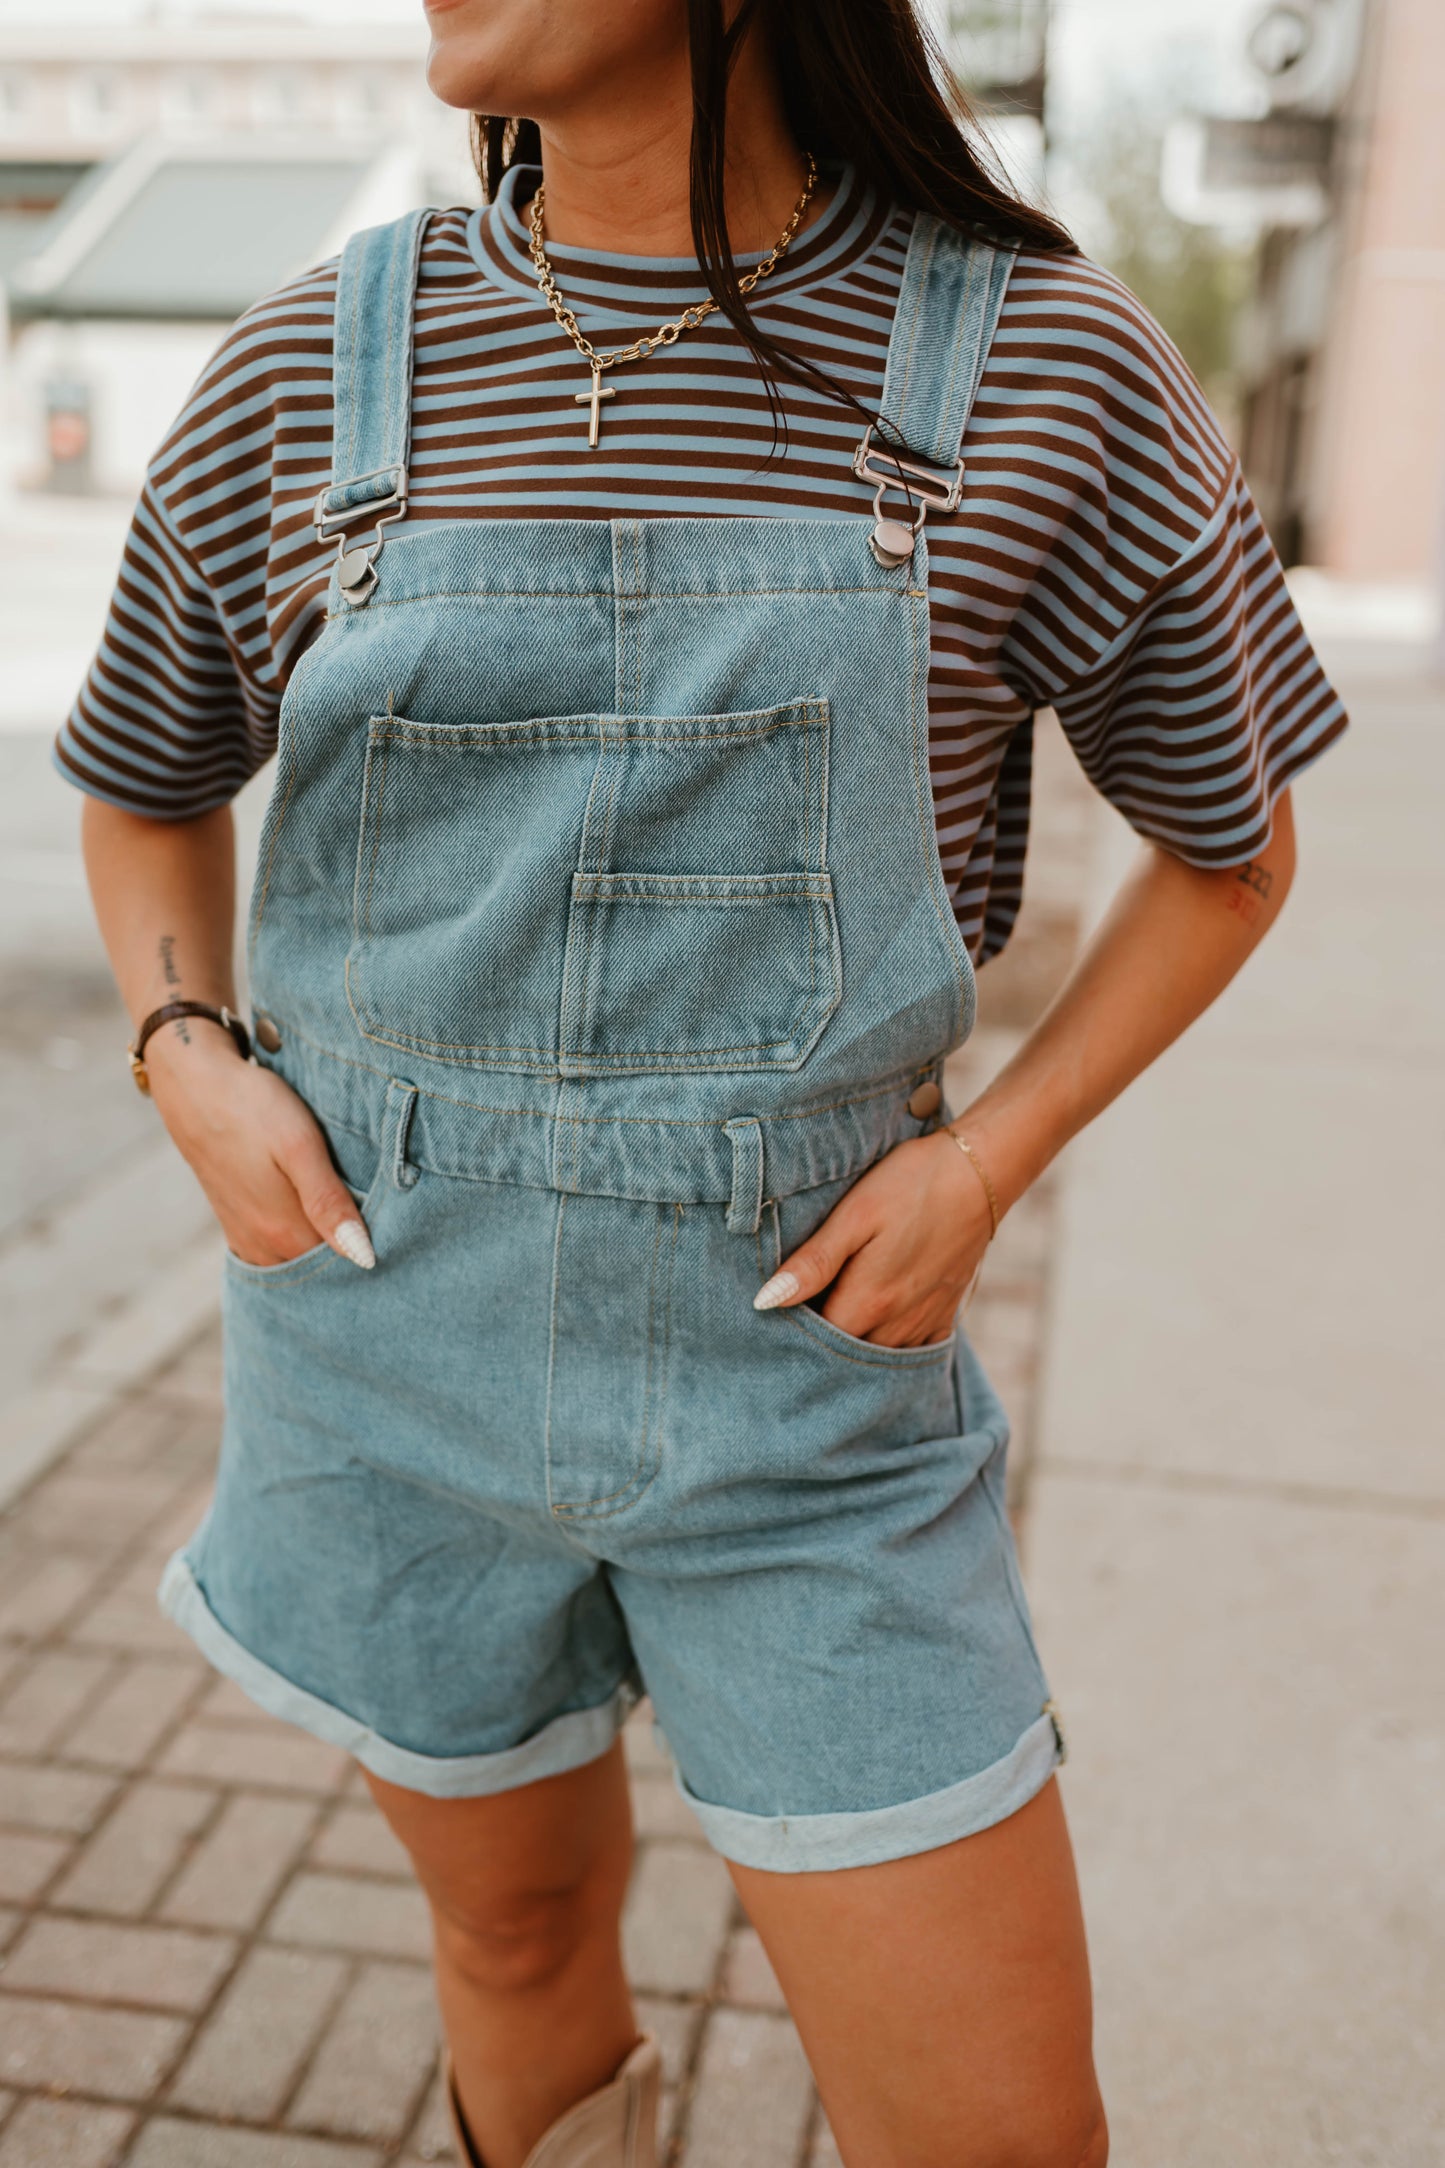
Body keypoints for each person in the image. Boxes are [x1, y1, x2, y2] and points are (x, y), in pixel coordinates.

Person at [60, 3, 1347, 2163]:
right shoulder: (310, 365)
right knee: (519, 1945)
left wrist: (995, 1161)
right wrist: (188, 1053)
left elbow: (1232, 851)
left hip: (813, 1401)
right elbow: (140, 780)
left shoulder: (1042, 364)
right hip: (385, 1360)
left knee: (1004, 2131)